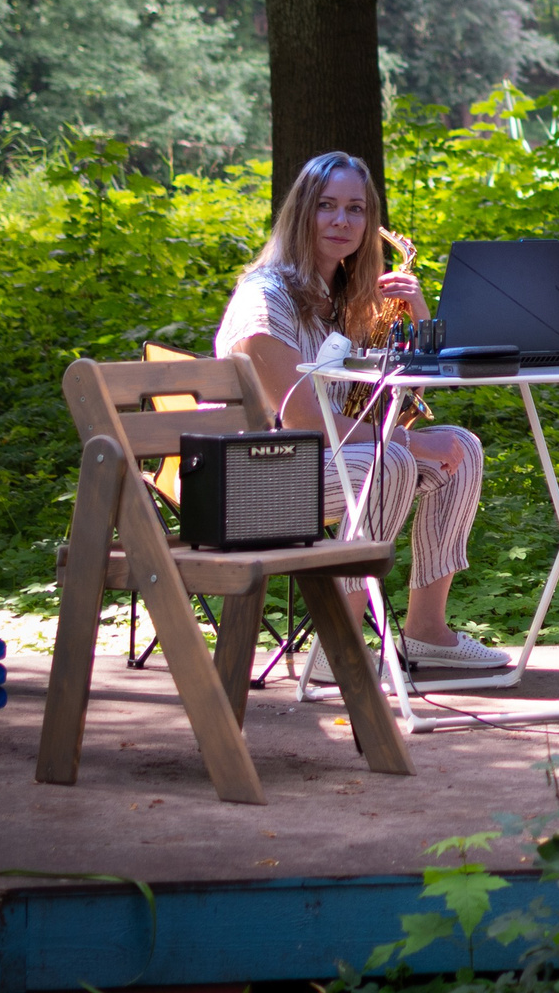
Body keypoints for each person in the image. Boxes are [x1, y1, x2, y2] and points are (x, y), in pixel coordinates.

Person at [215, 150, 510, 683]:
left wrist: (419, 315)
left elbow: (400, 395)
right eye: (326, 205)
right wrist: (409, 444)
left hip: (317, 463)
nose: (342, 220)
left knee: (462, 448)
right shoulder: (265, 299)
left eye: (356, 209)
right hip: (253, 477)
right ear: (301, 213)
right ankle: (339, 645)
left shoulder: (342, 299)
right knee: (390, 461)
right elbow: (306, 423)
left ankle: (427, 633)